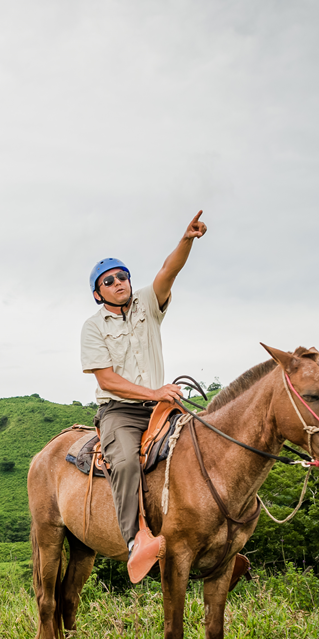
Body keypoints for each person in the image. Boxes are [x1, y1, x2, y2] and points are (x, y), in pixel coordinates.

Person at [79, 211, 208, 581]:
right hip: (120, 411)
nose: (118, 282)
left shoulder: (148, 304)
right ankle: (137, 538)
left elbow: (169, 271)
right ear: (97, 293)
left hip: (162, 406)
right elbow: (107, 379)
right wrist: (154, 391)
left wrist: (187, 239)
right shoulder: (92, 328)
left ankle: (215, 538)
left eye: (122, 276)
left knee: (207, 447)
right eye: (109, 280)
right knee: (124, 463)